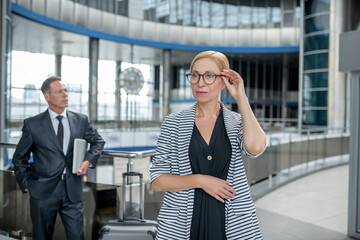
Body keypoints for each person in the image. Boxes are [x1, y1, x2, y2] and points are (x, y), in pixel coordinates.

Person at [150, 51, 266, 240]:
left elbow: (256, 148)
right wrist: (201, 181)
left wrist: (241, 98)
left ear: (224, 80)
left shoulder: (236, 122)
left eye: (209, 76)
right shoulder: (173, 123)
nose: (200, 83)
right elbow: (158, 182)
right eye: (195, 75)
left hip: (232, 222)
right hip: (183, 224)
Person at [12, 76, 105, 240]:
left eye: (65, 91)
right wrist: (26, 185)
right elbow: (20, 158)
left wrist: (88, 160)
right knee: (42, 236)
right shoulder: (33, 124)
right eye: (59, 91)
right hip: (42, 192)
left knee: (77, 236)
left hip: (72, 190)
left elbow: (98, 142)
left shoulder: (81, 120)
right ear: (47, 96)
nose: (65, 95)